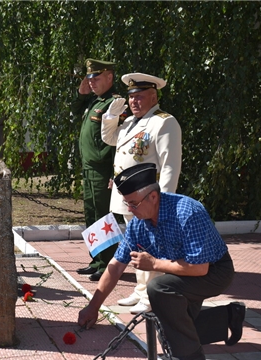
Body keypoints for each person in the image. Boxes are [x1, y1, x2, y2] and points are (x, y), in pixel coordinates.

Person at [77, 163, 245, 360]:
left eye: (133, 203)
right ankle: (228, 317)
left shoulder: (187, 212)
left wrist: (154, 264)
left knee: (159, 289)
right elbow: (115, 267)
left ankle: (190, 357)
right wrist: (93, 307)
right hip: (183, 271)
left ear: (153, 197)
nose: (130, 209)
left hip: (214, 271)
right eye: (127, 204)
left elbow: (200, 268)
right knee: (170, 328)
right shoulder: (138, 223)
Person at [101, 72, 182, 313]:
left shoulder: (164, 122)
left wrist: (163, 201)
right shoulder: (128, 123)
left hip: (150, 199)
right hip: (129, 198)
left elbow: (170, 165)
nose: (134, 101)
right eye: (132, 97)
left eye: (140, 96)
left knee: (153, 247)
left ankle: (153, 296)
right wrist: (111, 116)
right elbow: (109, 139)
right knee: (137, 245)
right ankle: (140, 290)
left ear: (154, 96)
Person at [70, 59, 128, 281]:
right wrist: (81, 94)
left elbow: (118, 141)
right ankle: (96, 260)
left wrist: (115, 172)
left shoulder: (116, 104)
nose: (91, 82)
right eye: (89, 78)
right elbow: (75, 111)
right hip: (89, 168)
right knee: (92, 215)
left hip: (103, 170)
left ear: (110, 77)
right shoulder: (94, 102)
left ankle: (108, 265)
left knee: (105, 218)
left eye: (96, 77)